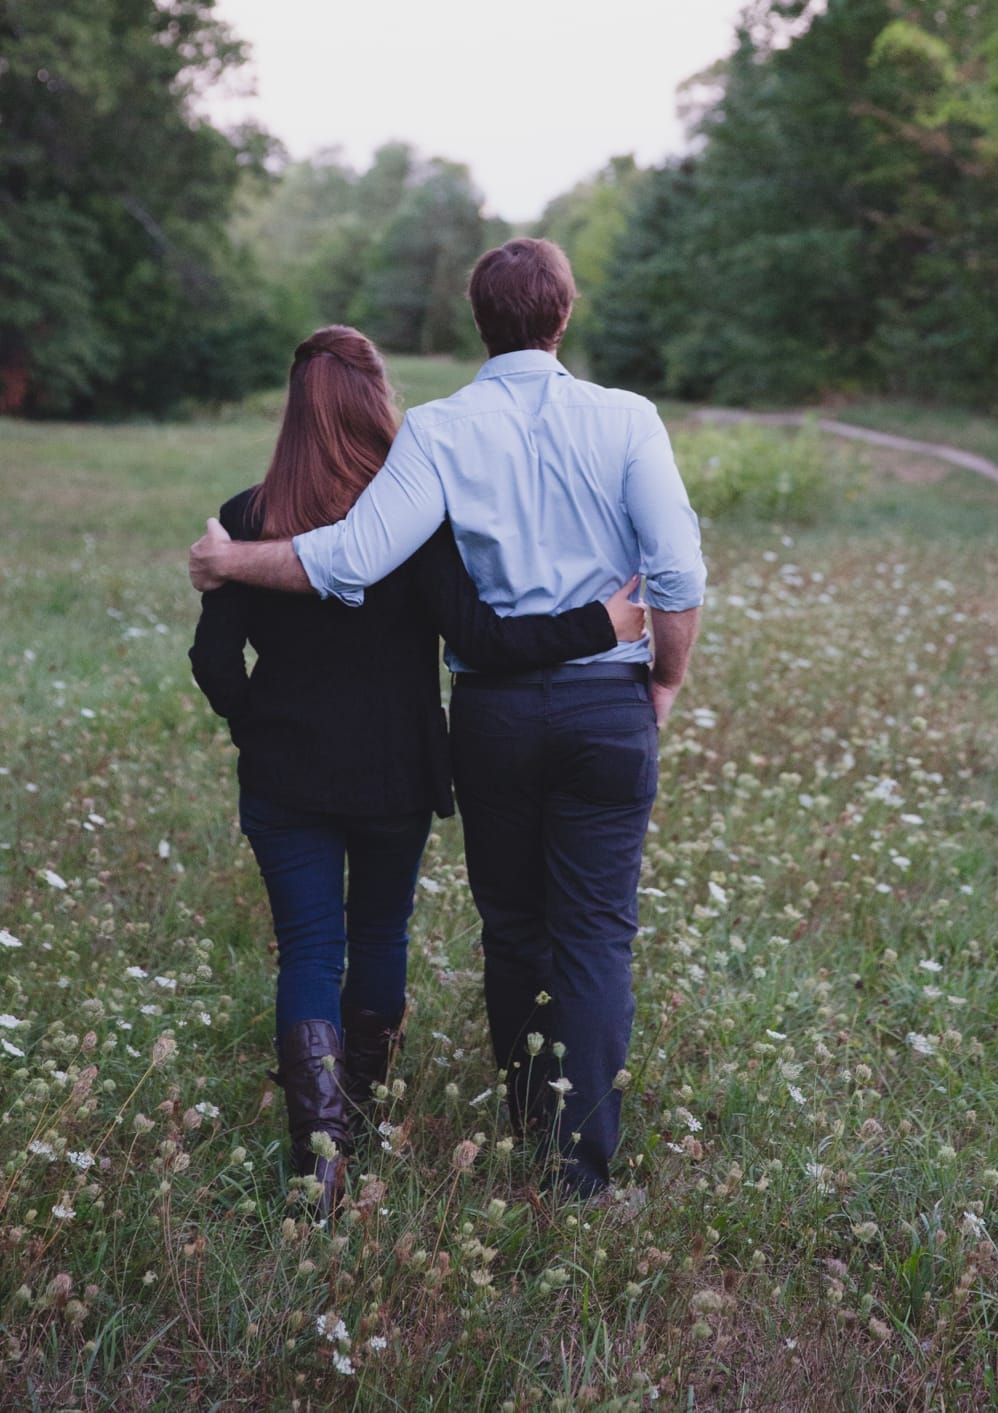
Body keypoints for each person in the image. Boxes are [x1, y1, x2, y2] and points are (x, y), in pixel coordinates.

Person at [190, 243, 705, 1197]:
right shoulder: (628, 419)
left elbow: (342, 564)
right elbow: (672, 571)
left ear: (478, 318)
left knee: (501, 929)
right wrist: (657, 674)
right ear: (566, 312)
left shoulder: (429, 436)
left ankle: (431, 1138)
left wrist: (233, 574)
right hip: (578, 708)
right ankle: (573, 1170)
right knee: (586, 935)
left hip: (475, 724)